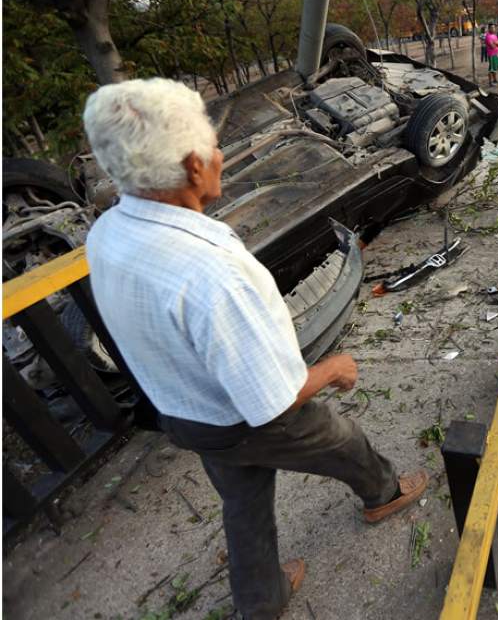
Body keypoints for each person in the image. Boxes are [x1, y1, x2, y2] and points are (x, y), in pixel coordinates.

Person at [80, 78, 429, 620]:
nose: (221, 156)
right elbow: (273, 401)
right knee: (344, 440)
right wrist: (332, 369)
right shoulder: (212, 274)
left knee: (243, 501)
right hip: (246, 420)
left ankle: (262, 601)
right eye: (213, 146)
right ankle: (384, 494)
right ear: (194, 167)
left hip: (186, 417)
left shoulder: (107, 233)